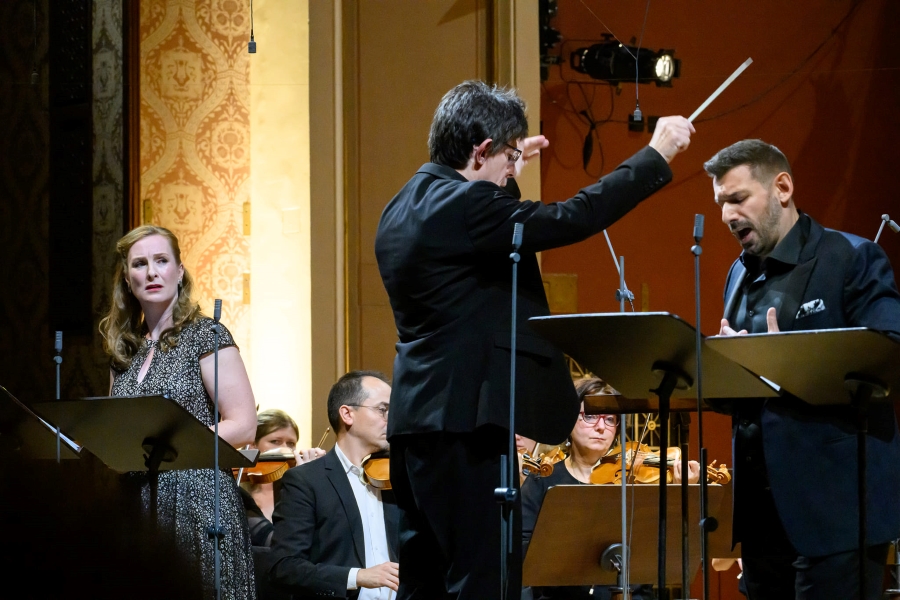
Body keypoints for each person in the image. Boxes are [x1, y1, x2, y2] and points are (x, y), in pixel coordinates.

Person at [374, 79, 694, 599]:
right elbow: (571, 219)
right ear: (481, 150)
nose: (512, 170)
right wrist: (654, 154)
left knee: (426, 581)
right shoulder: (466, 207)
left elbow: (485, 237)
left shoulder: (403, 205)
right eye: (509, 157)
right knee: (482, 581)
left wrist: (510, 170)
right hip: (467, 420)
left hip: (417, 422)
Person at [703, 139, 900, 599]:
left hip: (836, 514)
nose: (727, 216)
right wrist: (728, 368)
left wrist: (784, 359)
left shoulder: (851, 258)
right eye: (720, 204)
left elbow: (886, 355)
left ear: (783, 188)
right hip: (761, 518)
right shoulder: (739, 273)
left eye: (737, 199)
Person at [99, 224, 258, 598]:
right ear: (127, 278)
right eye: (139, 264)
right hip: (135, 501)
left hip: (197, 498)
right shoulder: (123, 351)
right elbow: (115, 434)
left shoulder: (206, 335)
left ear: (179, 270)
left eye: (161, 261)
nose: (151, 272)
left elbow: (243, 424)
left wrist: (174, 448)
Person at [521, 378, 699, 600]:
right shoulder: (543, 479)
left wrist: (681, 494)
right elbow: (522, 549)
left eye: (610, 419)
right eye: (590, 415)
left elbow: (664, 551)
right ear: (569, 419)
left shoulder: (636, 479)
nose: (600, 427)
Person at [269, 371, 400, 599]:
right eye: (383, 410)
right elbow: (285, 566)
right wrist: (357, 576)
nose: (391, 419)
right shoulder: (306, 481)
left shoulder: (398, 477)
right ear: (347, 414)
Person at [240, 409, 326, 547]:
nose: (285, 449)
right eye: (275, 441)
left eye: (291, 444)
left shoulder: (295, 488)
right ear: (252, 446)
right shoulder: (241, 495)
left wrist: (308, 481)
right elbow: (276, 543)